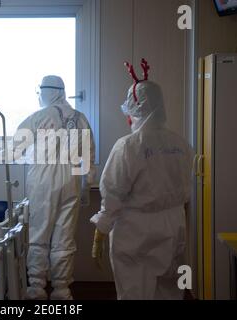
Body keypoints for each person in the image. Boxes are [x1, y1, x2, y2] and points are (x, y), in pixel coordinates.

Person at [90, 60, 193, 300]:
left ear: (134, 109)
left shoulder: (127, 146)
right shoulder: (181, 144)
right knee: (169, 288)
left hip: (135, 230)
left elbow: (113, 194)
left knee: (135, 288)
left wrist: (101, 230)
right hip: (174, 225)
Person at [17, 75, 96, 300]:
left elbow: (17, 149)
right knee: (64, 236)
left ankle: (36, 288)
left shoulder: (37, 118)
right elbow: (89, 155)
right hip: (70, 180)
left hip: (42, 181)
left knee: (39, 235)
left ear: (47, 92)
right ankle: (62, 289)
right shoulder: (80, 119)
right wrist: (86, 186)